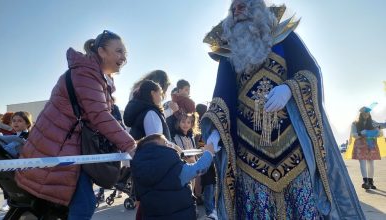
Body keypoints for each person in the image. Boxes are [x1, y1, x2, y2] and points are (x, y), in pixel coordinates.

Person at [201, 0, 364, 219]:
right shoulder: (228, 53)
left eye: (242, 6)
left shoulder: (285, 38)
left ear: (258, 9)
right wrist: (214, 133)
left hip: (293, 147)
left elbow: (310, 73)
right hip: (248, 154)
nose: (237, 12)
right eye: (233, 8)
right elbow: (223, 95)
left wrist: (289, 88)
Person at [15, 30, 136, 219]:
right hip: (58, 149)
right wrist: (131, 145)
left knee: (76, 205)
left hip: (66, 148)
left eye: (125, 53)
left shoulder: (94, 75)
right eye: (119, 51)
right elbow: (99, 115)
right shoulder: (86, 74)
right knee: (84, 204)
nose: (124, 57)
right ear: (102, 51)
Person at [131, 133, 215, 220]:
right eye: (166, 143)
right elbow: (200, 168)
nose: (170, 145)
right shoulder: (176, 169)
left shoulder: (139, 169)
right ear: (163, 148)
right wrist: (209, 153)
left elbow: (138, 195)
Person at [347, 106, 386, 190]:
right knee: (362, 162)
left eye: (368, 113)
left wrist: (377, 130)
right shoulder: (355, 123)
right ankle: (365, 182)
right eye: (365, 113)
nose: (366, 115)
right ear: (361, 114)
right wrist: (361, 133)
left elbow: (383, 126)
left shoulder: (373, 122)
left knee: (371, 162)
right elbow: (353, 134)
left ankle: (371, 182)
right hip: (360, 144)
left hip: (371, 143)